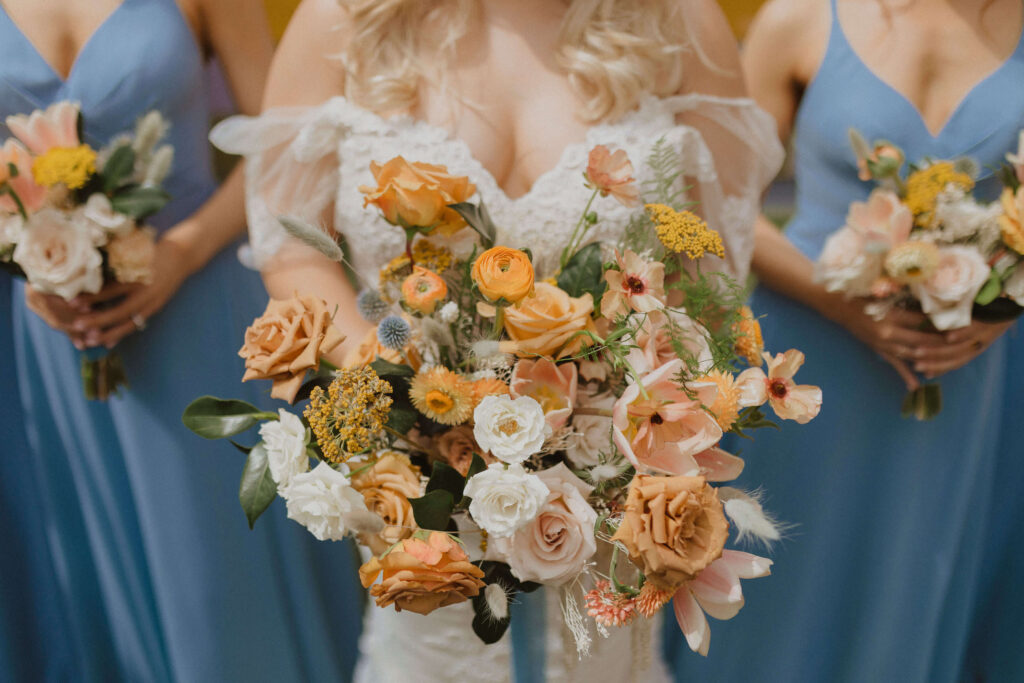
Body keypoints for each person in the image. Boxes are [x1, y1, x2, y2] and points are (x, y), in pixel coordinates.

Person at [211, 0, 784, 680]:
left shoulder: (680, 20)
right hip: (420, 475)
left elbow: (708, 264)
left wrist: (629, 412)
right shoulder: (344, 16)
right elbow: (292, 246)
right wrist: (397, 390)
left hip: (611, 471)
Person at [1, 0, 362, 679]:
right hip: (41, 346)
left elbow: (282, 147)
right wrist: (29, 257)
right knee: (78, 593)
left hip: (204, 319)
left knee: (222, 581)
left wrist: (183, 251)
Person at [666, 0, 1024, 680]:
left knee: (916, 585)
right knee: (775, 590)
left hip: (970, 374)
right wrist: (838, 295)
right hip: (799, 366)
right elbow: (716, 201)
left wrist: (1003, 304)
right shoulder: (799, 19)